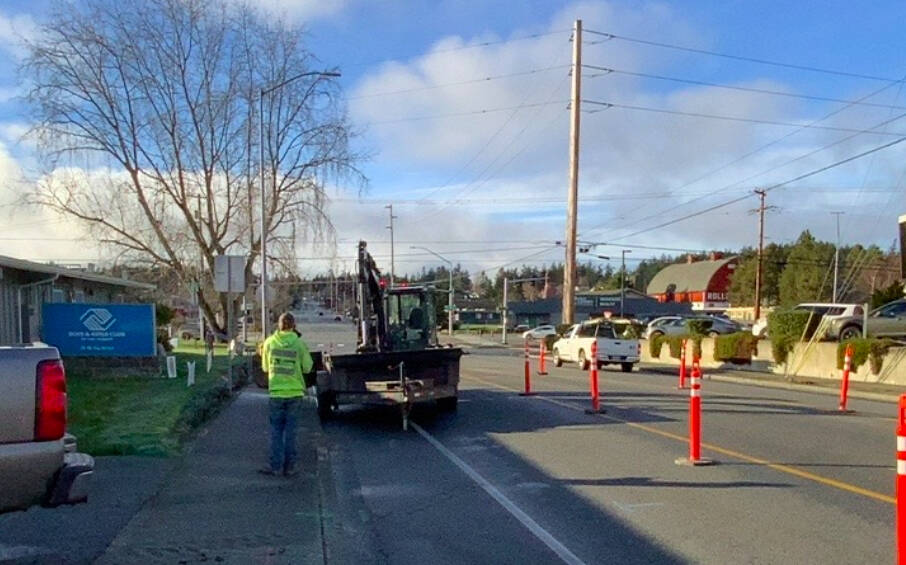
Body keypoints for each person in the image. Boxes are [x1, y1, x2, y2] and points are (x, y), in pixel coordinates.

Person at [259, 312, 313, 477]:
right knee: (291, 432)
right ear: (293, 325)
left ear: (278, 325)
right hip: (295, 393)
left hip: (276, 393)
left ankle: (275, 466)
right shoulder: (299, 344)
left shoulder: (269, 343)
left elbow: (265, 368)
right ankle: (289, 467)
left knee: (276, 431)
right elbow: (307, 367)